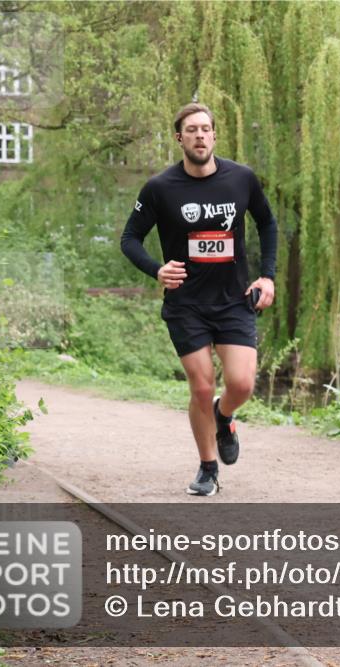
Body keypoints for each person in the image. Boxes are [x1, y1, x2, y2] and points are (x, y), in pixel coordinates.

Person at [121, 102, 277, 496]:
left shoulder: (241, 178)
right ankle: (208, 467)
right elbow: (129, 239)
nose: (200, 135)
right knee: (202, 387)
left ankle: (224, 417)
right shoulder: (160, 188)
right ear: (179, 138)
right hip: (186, 304)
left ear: (214, 135)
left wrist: (268, 276)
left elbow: (267, 222)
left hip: (233, 300)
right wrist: (156, 269)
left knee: (241, 384)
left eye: (206, 129)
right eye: (191, 130)